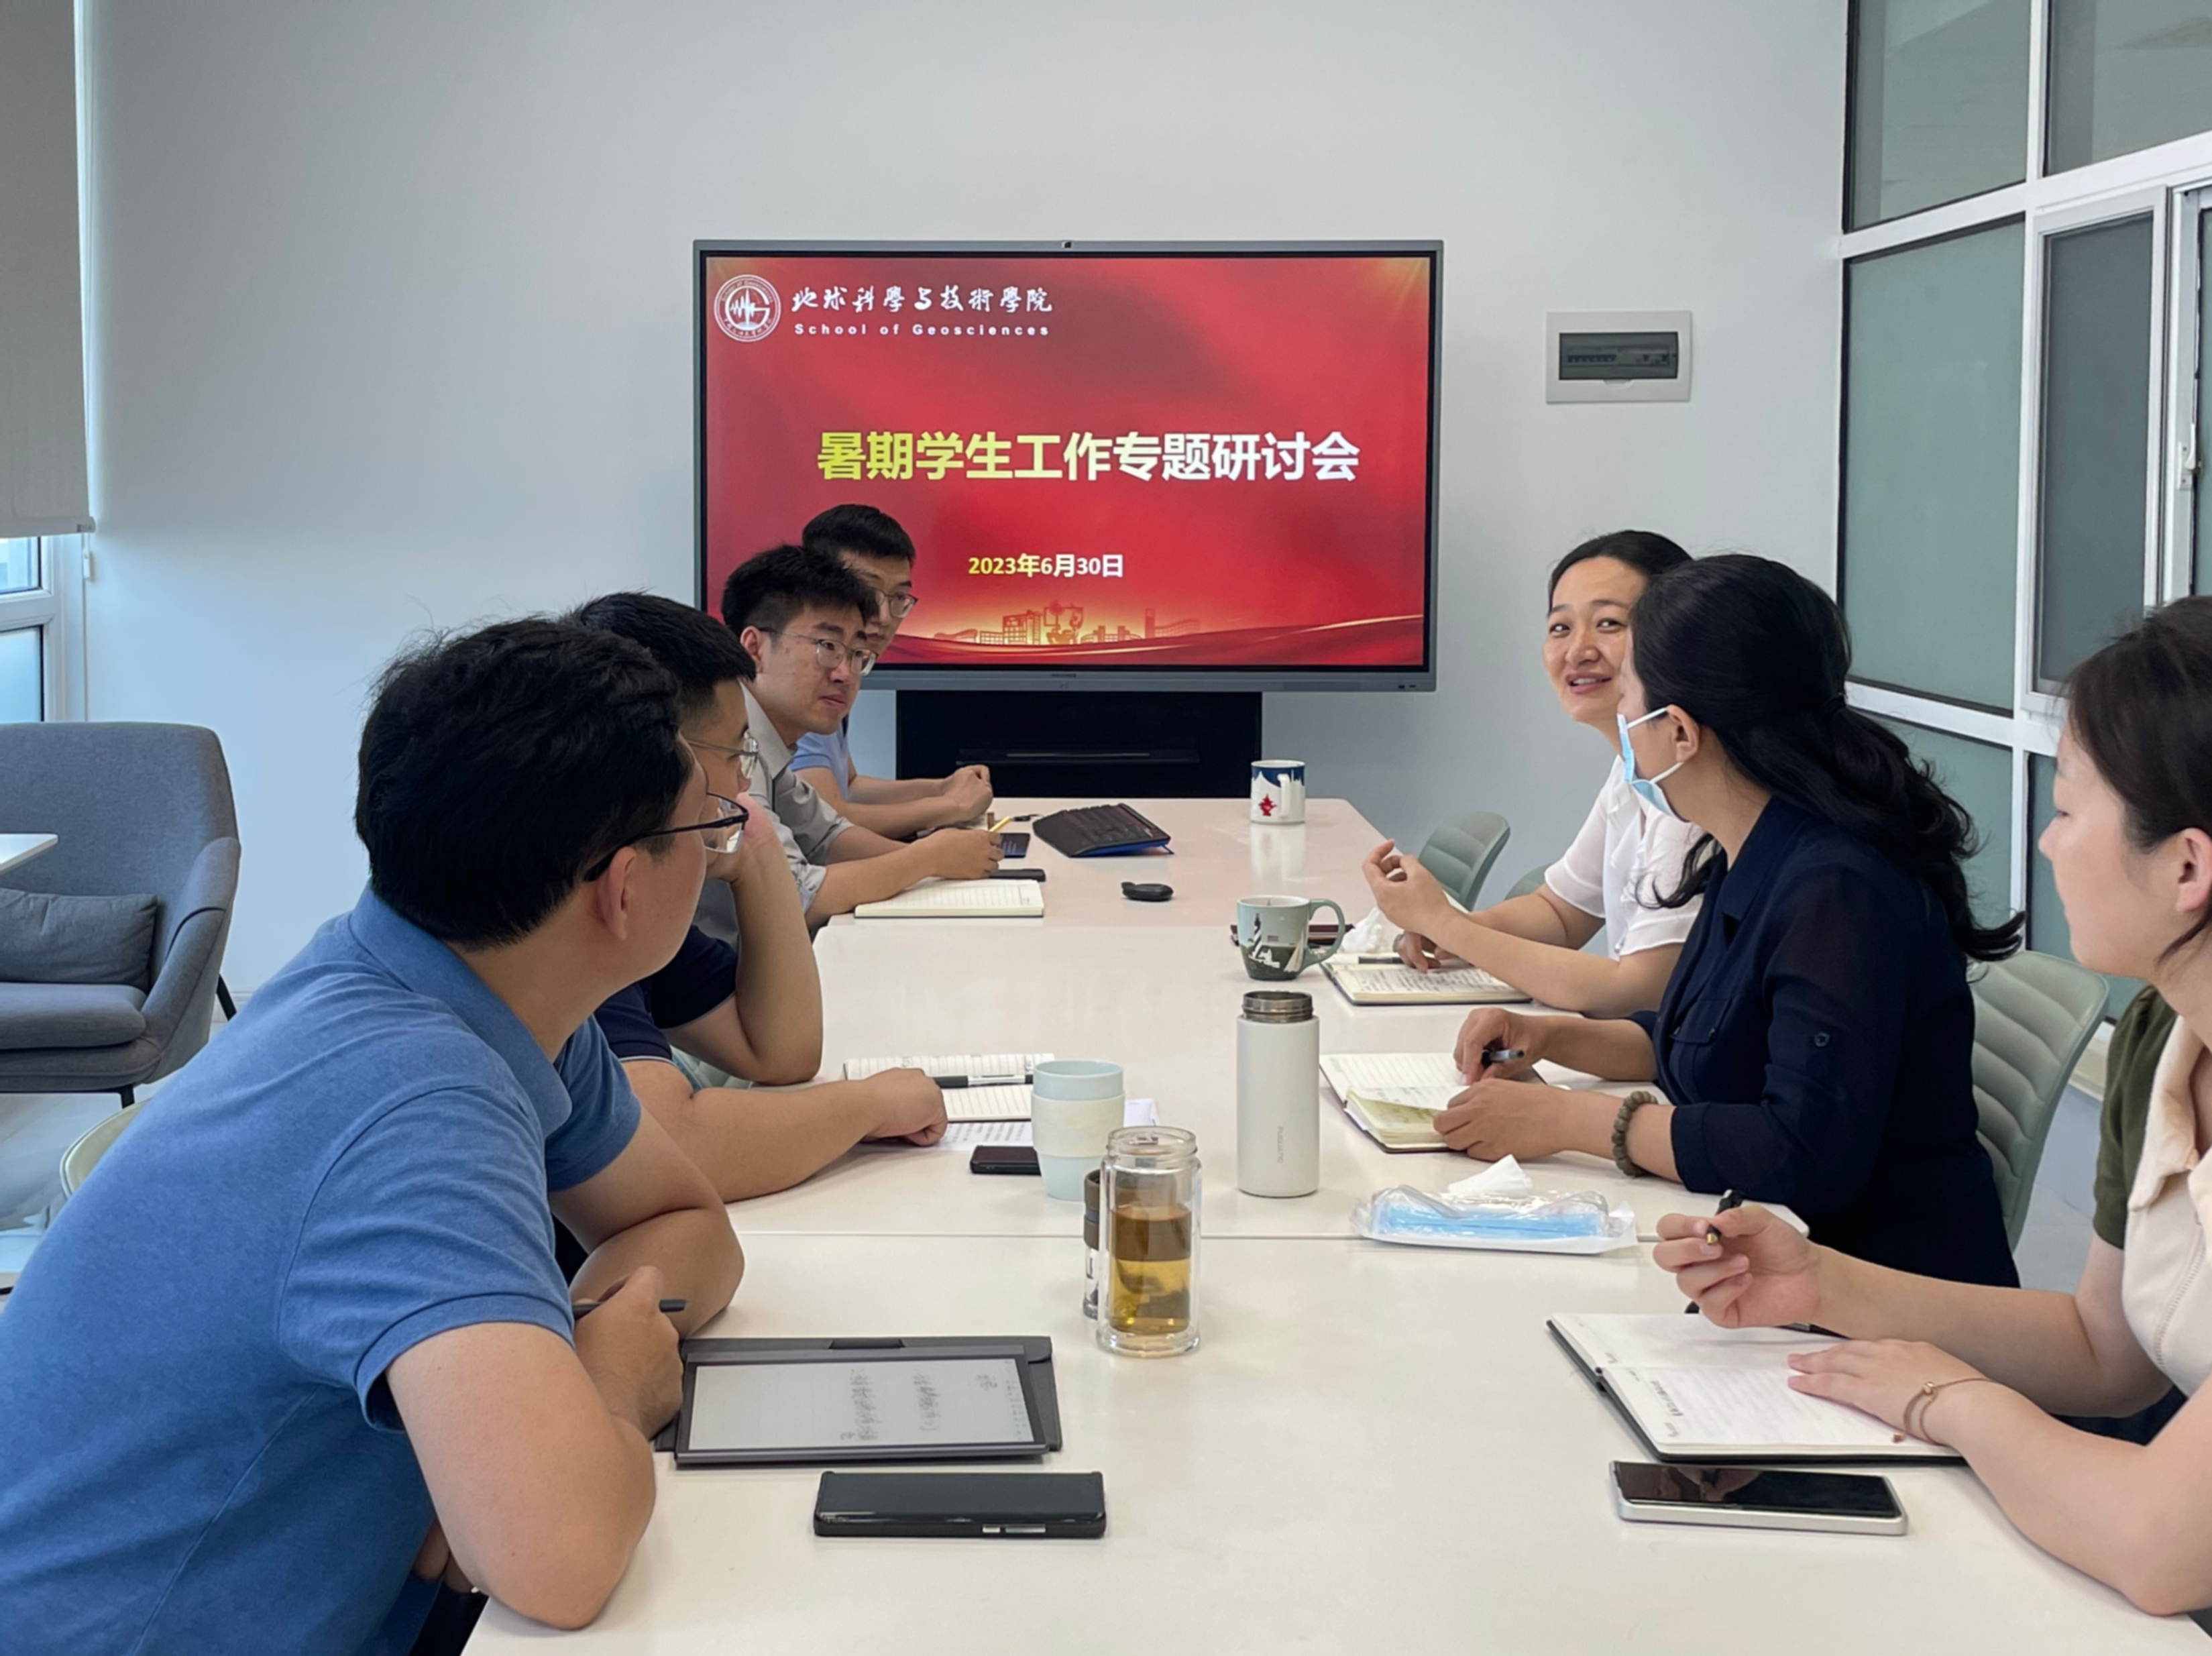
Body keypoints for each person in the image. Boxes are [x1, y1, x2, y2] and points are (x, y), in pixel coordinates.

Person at [0, 620, 745, 1651]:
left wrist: (537, 1418)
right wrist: (608, 1385)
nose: (717, 847)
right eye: (709, 825)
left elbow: (688, 1224)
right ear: (623, 888)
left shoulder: (469, 986)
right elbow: (557, 1558)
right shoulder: (415, 1100)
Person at [1654, 597, 2212, 1616]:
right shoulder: (2164, 1036)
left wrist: (1945, 1400)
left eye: (2066, 810)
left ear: (2186, 865)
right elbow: (2108, 1354)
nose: (2046, 844)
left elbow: (2158, 1546)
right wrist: (1818, 1282)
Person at [1445, 553, 2020, 1287]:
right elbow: (1704, 1038)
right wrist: (1552, 1037)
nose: (1621, 719)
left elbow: (1800, 1148)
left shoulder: (1839, 892)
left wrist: (1569, 1122)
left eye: (1629, 696)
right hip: (1761, 1255)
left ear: (1680, 732)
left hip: (1873, 1293)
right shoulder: (1748, 848)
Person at [571, 592, 947, 1199]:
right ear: (668, 759)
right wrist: (872, 1104)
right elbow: (667, 1148)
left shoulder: (632, 888)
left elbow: (784, 1053)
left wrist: (758, 851)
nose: (745, 777)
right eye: (735, 752)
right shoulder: (573, 901)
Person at [1362, 531, 1700, 1015]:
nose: (1578, 651)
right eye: (1560, 628)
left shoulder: (1693, 793)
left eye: (1609, 623)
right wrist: (1447, 929)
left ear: (1675, 634)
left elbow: (1636, 992)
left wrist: (1446, 925)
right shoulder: (1631, 770)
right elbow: (1560, 913)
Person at [720, 545, 1001, 925]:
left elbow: (830, 837)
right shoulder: (728, 746)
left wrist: (949, 857)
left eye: (857, 655)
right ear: (755, 648)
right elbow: (797, 896)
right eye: (828, 647)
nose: (845, 674)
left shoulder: (771, 742)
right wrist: (929, 858)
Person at [792, 503, 995, 836]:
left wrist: (941, 788)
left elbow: (849, 786)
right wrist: (952, 807)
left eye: (899, 597)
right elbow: (828, 822)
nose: (884, 618)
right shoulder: (800, 681)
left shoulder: (840, 672)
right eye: (867, 593)